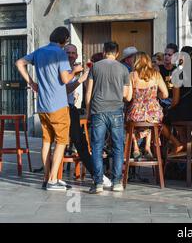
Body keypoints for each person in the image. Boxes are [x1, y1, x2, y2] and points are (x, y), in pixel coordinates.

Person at [16, 26, 83, 191]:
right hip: (58, 105)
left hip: (43, 105)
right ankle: (53, 179)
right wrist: (75, 70)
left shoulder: (39, 52)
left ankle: (47, 178)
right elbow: (65, 79)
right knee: (61, 142)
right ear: (65, 39)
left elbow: (19, 63)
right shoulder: (60, 53)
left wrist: (31, 82)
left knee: (46, 141)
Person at [85, 41, 130, 194]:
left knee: (97, 147)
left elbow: (88, 93)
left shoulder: (95, 67)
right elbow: (126, 95)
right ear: (117, 53)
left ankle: (98, 183)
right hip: (116, 110)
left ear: (104, 51)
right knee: (118, 147)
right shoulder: (124, 69)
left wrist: (88, 112)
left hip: (98, 111)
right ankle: (117, 182)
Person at [64, 44, 112, 187]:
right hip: (63, 110)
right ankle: (98, 176)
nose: (71, 55)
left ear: (77, 55)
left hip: (71, 108)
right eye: (68, 52)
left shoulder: (72, 70)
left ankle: (98, 175)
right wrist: (80, 79)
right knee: (79, 143)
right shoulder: (65, 69)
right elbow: (65, 89)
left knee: (81, 143)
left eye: (73, 53)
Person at [125, 52, 181, 159]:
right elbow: (165, 94)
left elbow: (128, 98)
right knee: (152, 121)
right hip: (154, 112)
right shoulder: (156, 74)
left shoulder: (132, 75)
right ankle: (147, 147)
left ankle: (136, 147)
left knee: (128, 122)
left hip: (136, 113)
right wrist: (155, 95)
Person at [162, 46, 192, 154]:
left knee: (163, 120)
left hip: (187, 111)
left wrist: (168, 108)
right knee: (178, 117)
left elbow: (175, 101)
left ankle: (180, 143)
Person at [159, 43, 178, 108]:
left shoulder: (177, 71)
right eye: (165, 54)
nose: (166, 56)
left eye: (169, 55)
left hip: (174, 102)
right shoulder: (158, 69)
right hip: (160, 101)